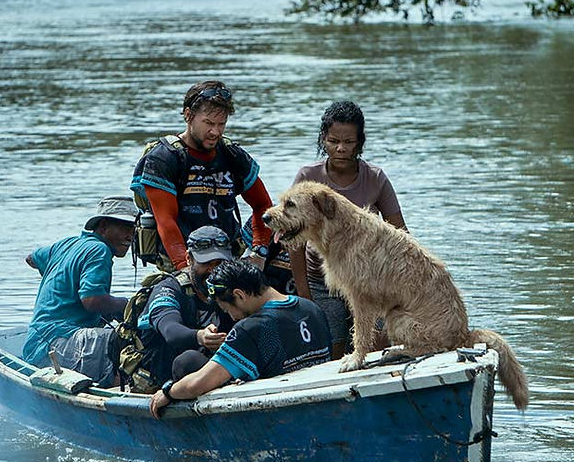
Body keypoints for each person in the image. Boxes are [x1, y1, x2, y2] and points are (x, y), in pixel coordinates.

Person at [289, 101, 408, 359]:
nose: (341, 148)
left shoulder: (375, 178)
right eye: (333, 141)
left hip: (369, 279)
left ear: (360, 142)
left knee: (380, 343)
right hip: (323, 280)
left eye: (349, 142)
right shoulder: (308, 177)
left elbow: (400, 235)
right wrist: (304, 294)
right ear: (323, 139)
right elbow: (294, 240)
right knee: (333, 345)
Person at [150, 260, 331, 419]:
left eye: (227, 309)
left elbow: (196, 385)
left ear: (239, 295)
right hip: (318, 398)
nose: (233, 317)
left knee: (187, 362)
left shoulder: (252, 328)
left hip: (277, 413)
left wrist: (168, 392)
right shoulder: (311, 308)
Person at [130, 80, 273, 272]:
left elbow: (263, 206)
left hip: (228, 255)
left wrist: (259, 251)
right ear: (189, 116)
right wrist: (185, 269)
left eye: (221, 124)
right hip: (185, 258)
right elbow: (166, 221)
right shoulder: (164, 158)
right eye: (208, 123)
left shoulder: (232, 155)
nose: (215, 132)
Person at [22, 195, 138, 387]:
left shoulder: (67, 243)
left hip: (37, 340)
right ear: (103, 226)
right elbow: (92, 300)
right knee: (126, 341)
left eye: (133, 230)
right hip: (58, 343)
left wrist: (63, 282)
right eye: (125, 228)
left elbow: (32, 259)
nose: (130, 236)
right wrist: (127, 305)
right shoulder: (99, 250)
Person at [135, 226, 236, 386]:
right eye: (206, 263)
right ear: (189, 259)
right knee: (189, 360)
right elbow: (170, 330)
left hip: (211, 367)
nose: (213, 270)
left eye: (220, 263)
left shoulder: (230, 287)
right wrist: (200, 337)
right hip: (164, 373)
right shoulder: (168, 289)